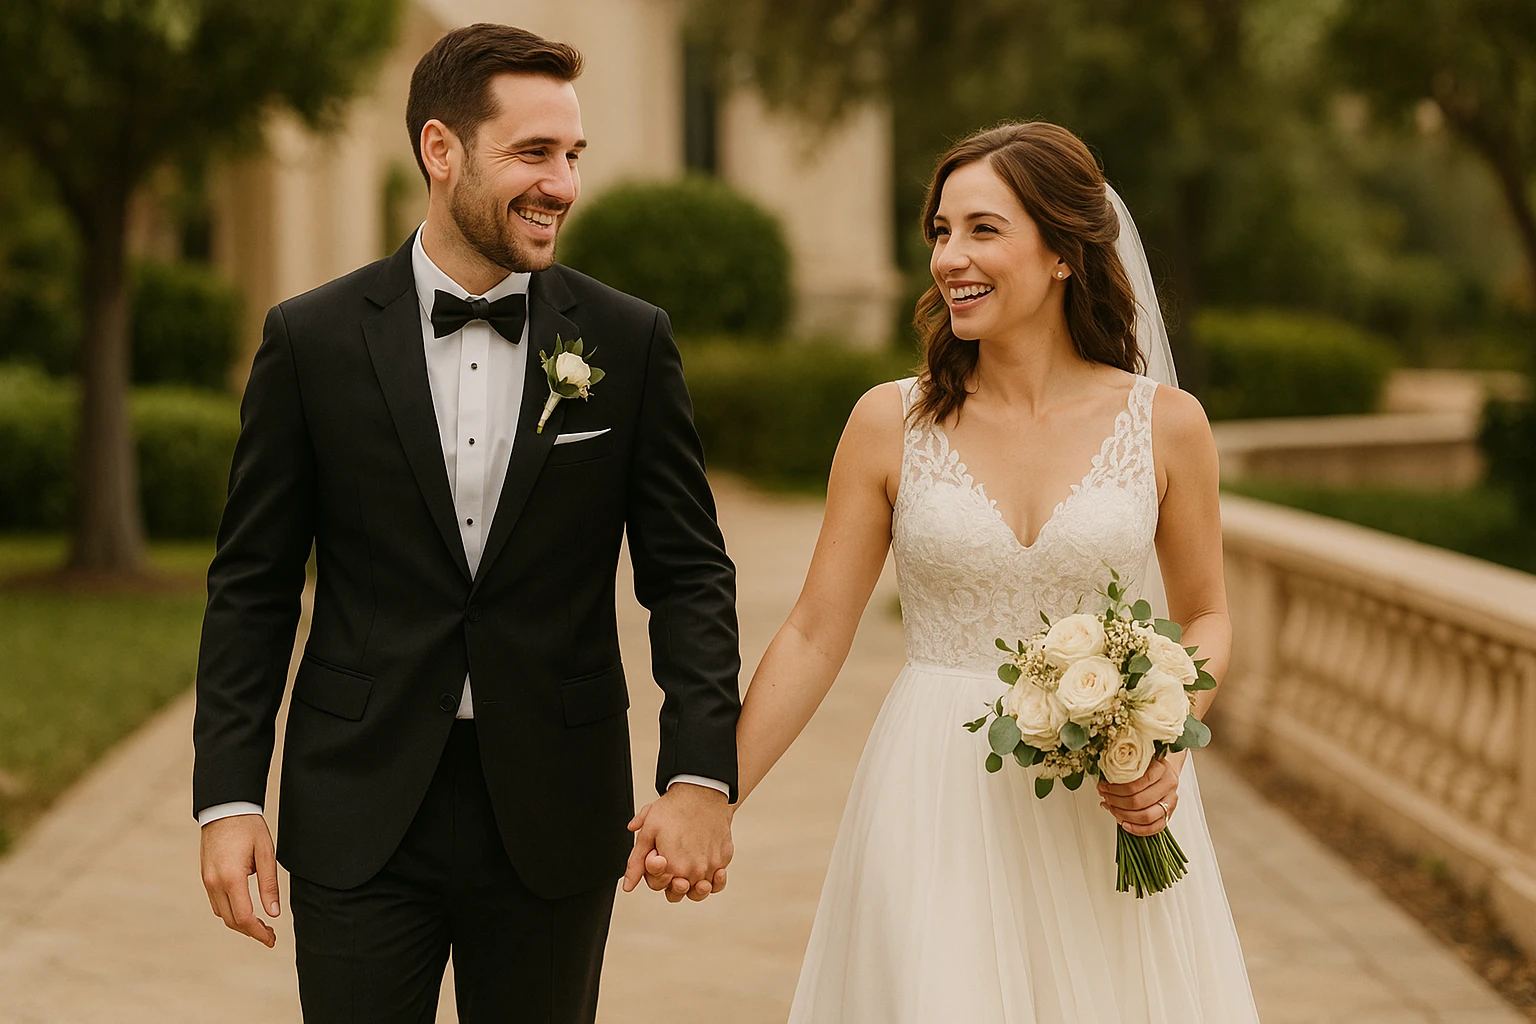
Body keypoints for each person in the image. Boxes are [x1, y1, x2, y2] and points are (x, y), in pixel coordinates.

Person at [635, 120, 1262, 1021]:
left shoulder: (1167, 425)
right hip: (933, 797)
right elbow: (816, 630)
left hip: (1101, 808)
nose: (949, 257)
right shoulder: (889, 423)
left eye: (983, 229)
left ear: (1060, 252)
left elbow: (1207, 615)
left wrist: (1164, 737)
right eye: (939, 230)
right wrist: (711, 794)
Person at [193, 23, 736, 1024]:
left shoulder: (629, 340)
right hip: (358, 803)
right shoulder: (308, 340)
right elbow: (253, 585)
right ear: (441, 150)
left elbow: (689, 574)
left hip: (556, 809)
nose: (564, 184)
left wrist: (700, 769)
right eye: (535, 153)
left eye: (573, 155)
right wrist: (228, 798)